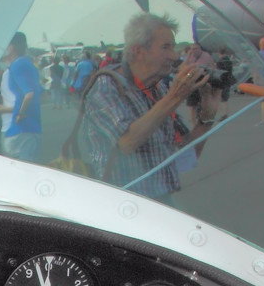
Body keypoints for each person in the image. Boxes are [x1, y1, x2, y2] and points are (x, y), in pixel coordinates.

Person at [77, 12, 219, 198]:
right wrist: (175, 96)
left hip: (160, 199)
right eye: (166, 47)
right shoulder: (106, 86)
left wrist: (207, 116)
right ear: (138, 51)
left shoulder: (158, 85)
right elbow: (127, 142)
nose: (174, 55)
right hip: (124, 203)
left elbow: (186, 155)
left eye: (173, 47)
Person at [0, 31, 43, 161]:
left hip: (19, 129)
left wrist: (15, 112)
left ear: (12, 47)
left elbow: (30, 95)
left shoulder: (18, 66)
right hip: (21, 129)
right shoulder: (25, 65)